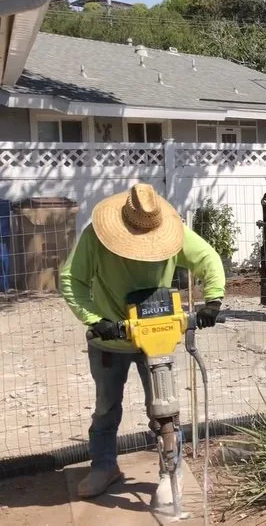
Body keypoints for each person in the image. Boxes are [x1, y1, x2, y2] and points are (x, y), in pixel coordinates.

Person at [58, 183, 226, 503]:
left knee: (164, 409)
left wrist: (213, 301)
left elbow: (207, 257)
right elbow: (71, 278)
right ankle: (104, 466)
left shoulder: (172, 232)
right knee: (106, 408)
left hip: (157, 335)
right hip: (111, 338)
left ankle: (170, 472)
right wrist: (96, 321)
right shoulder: (96, 236)